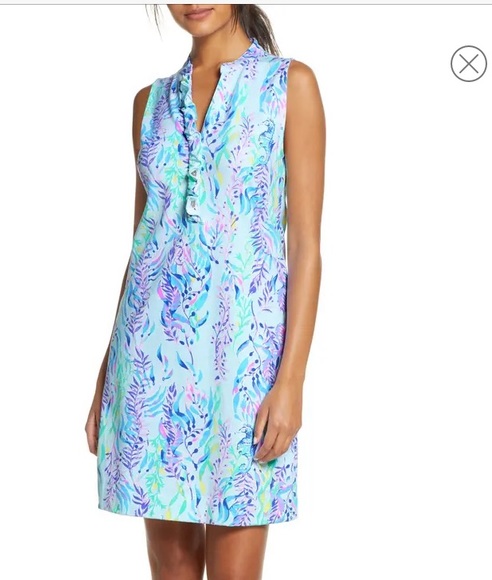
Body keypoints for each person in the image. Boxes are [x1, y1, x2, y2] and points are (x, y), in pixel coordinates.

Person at [86, 4, 325, 579]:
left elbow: (305, 247)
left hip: (244, 369)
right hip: (151, 369)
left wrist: (291, 381)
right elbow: (142, 247)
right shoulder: (148, 104)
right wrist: (106, 374)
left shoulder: (290, 86)